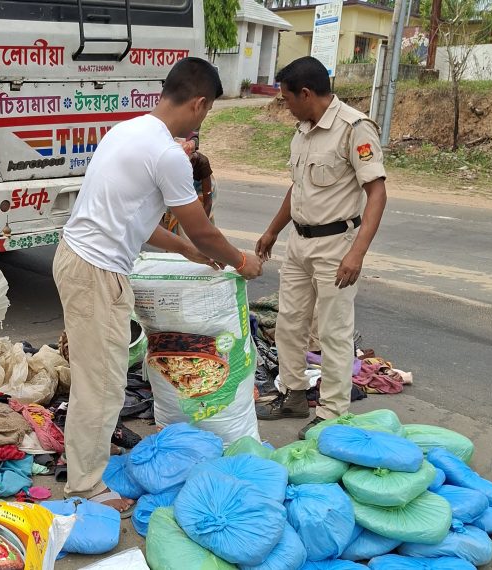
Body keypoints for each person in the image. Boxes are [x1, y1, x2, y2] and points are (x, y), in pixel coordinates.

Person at [54, 57, 263, 515]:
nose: (202, 120)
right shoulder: (167, 154)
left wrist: (186, 251)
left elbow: (140, 223)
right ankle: (85, 486)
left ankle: (85, 468)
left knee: (101, 377)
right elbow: (205, 230)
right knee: (102, 384)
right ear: (199, 103)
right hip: (95, 271)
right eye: (206, 113)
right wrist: (242, 262)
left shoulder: (127, 130)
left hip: (79, 260)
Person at [254, 56, 387, 439]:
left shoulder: (353, 129)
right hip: (299, 242)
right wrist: (272, 231)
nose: (285, 106)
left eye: (287, 98)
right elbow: (298, 187)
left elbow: (376, 193)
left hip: (336, 244)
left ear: (307, 93)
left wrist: (357, 252)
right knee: (289, 324)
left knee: (333, 332)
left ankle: (331, 413)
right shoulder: (303, 130)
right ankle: (294, 393)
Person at [163, 136, 215, 235]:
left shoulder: (202, 162)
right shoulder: (174, 164)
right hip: (186, 184)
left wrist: (203, 228)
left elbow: (208, 201)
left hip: (202, 188)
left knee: (197, 214)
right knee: (178, 216)